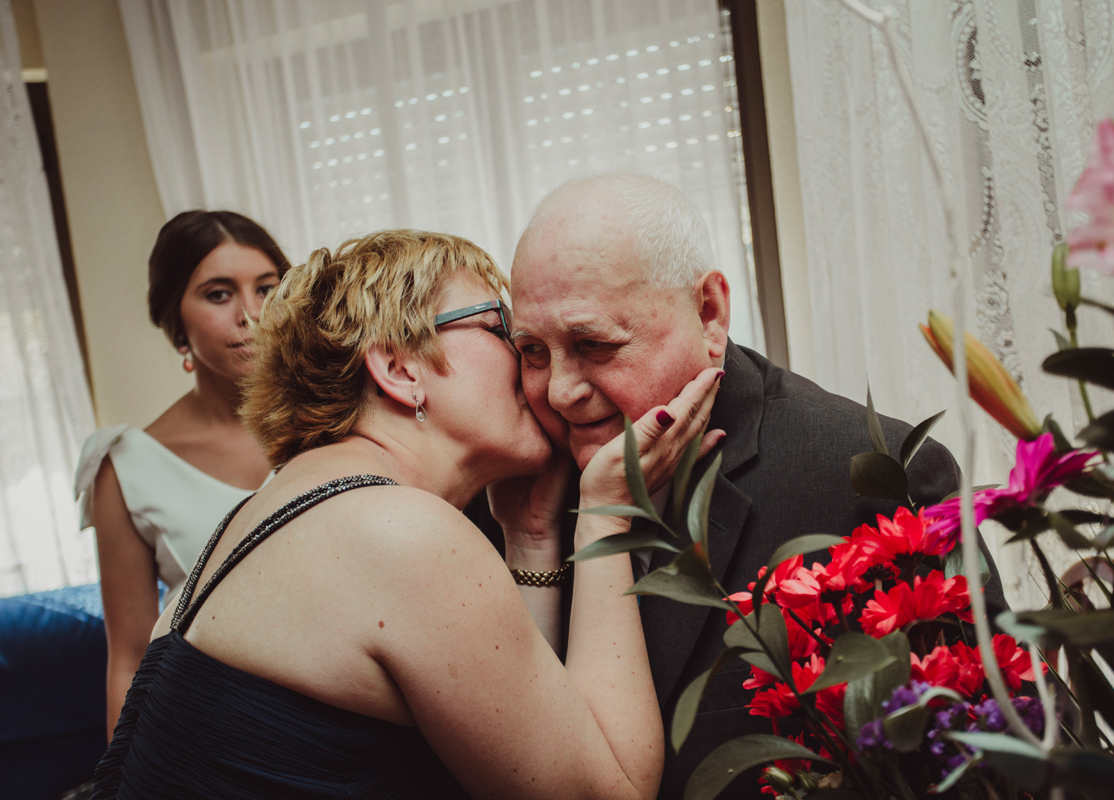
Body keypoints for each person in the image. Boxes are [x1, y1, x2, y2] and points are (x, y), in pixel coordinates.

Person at [91, 229, 725, 800]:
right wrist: (607, 514)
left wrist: (530, 538)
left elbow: (511, 756)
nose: (534, 360)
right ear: (399, 368)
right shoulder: (398, 533)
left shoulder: (277, 512)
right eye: (500, 328)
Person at [498, 173, 1009, 799]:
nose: (559, 391)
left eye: (593, 344)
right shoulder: (517, 492)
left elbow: (991, 753)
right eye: (532, 351)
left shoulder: (867, 473)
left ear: (709, 313)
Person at [74, 210, 291, 740]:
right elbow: (128, 658)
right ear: (176, 320)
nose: (250, 314)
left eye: (267, 289)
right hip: (217, 732)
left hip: (361, 716)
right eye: (218, 294)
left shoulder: (337, 423)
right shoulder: (126, 466)